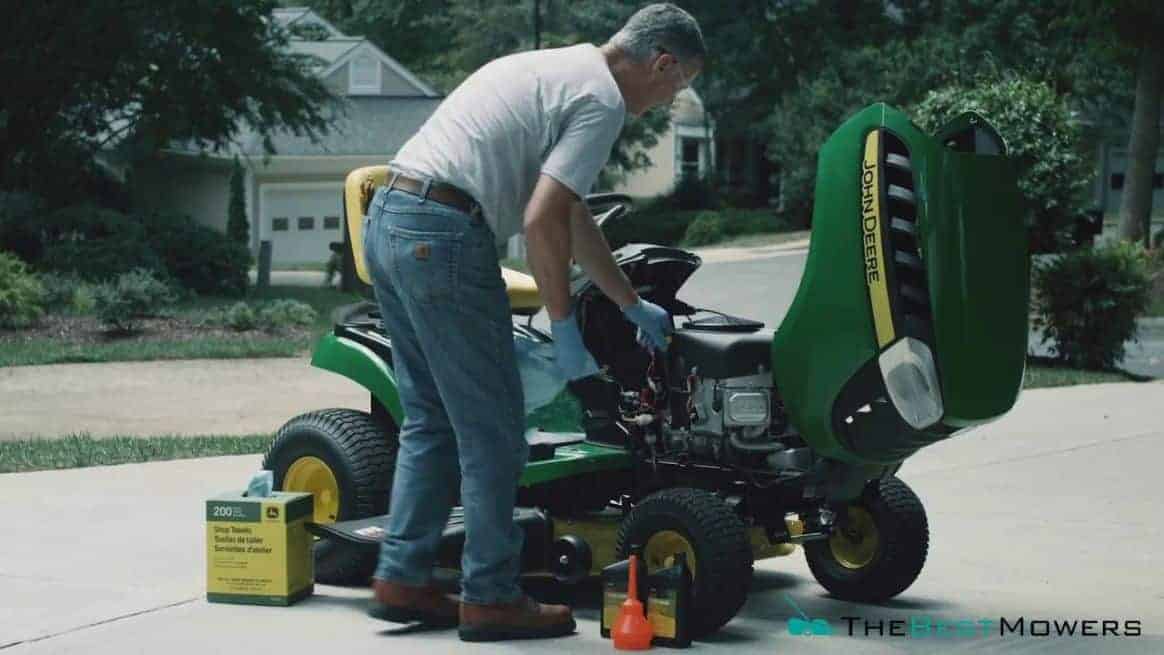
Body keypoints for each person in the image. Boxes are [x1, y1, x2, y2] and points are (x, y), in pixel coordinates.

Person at [361, 3, 705, 642]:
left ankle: (402, 575)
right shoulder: (601, 100)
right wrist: (565, 327)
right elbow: (543, 218)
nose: (665, 103)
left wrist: (630, 303)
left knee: (432, 418)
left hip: (392, 216)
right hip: (441, 234)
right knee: (492, 431)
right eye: (676, 86)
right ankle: (490, 596)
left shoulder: (560, 69)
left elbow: (570, 216)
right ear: (661, 63)